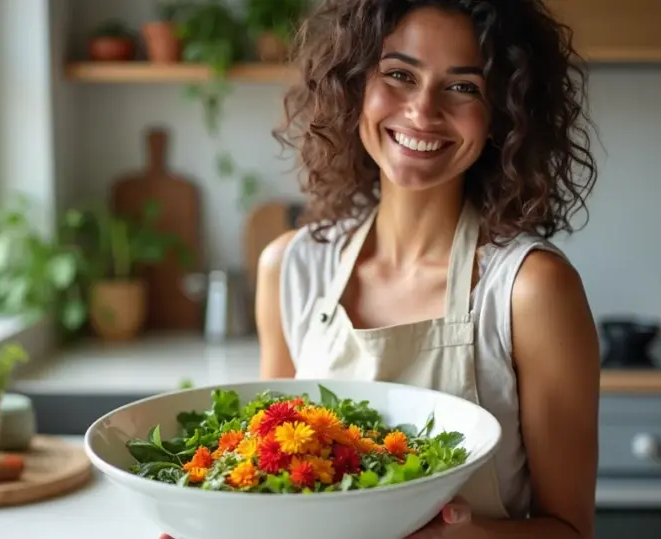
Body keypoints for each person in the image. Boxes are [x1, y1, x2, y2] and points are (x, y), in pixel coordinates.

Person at [160, 0, 600, 538]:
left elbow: (571, 530)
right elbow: (275, 486)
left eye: (463, 87)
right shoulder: (290, 269)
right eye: (399, 75)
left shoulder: (529, 291)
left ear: (503, 116)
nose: (421, 111)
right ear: (354, 87)